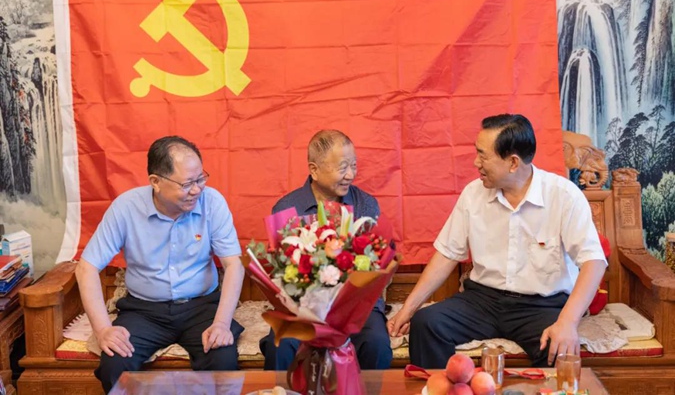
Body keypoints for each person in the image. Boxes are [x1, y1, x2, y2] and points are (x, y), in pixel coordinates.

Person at [387, 114, 607, 368]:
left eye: (483, 156)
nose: (476, 162)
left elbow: (594, 262)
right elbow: (447, 254)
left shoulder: (564, 196)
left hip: (542, 305)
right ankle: (443, 386)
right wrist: (408, 309)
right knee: (427, 323)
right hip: (482, 301)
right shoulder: (473, 194)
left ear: (513, 162)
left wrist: (568, 322)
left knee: (557, 348)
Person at [75, 136, 245, 393]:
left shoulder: (212, 202)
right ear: (155, 182)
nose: (197, 190)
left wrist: (221, 324)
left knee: (222, 360)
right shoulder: (126, 208)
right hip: (144, 312)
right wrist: (103, 330)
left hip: (201, 309)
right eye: (187, 184)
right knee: (115, 363)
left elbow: (234, 265)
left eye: (200, 179)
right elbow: (86, 267)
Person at [259, 129, 392, 370]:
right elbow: (280, 271)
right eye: (342, 168)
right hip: (303, 307)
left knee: (376, 344)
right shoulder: (287, 209)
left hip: (357, 307)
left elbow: (378, 264)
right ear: (314, 169)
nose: (350, 174)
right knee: (281, 345)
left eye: (354, 165)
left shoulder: (366, 205)